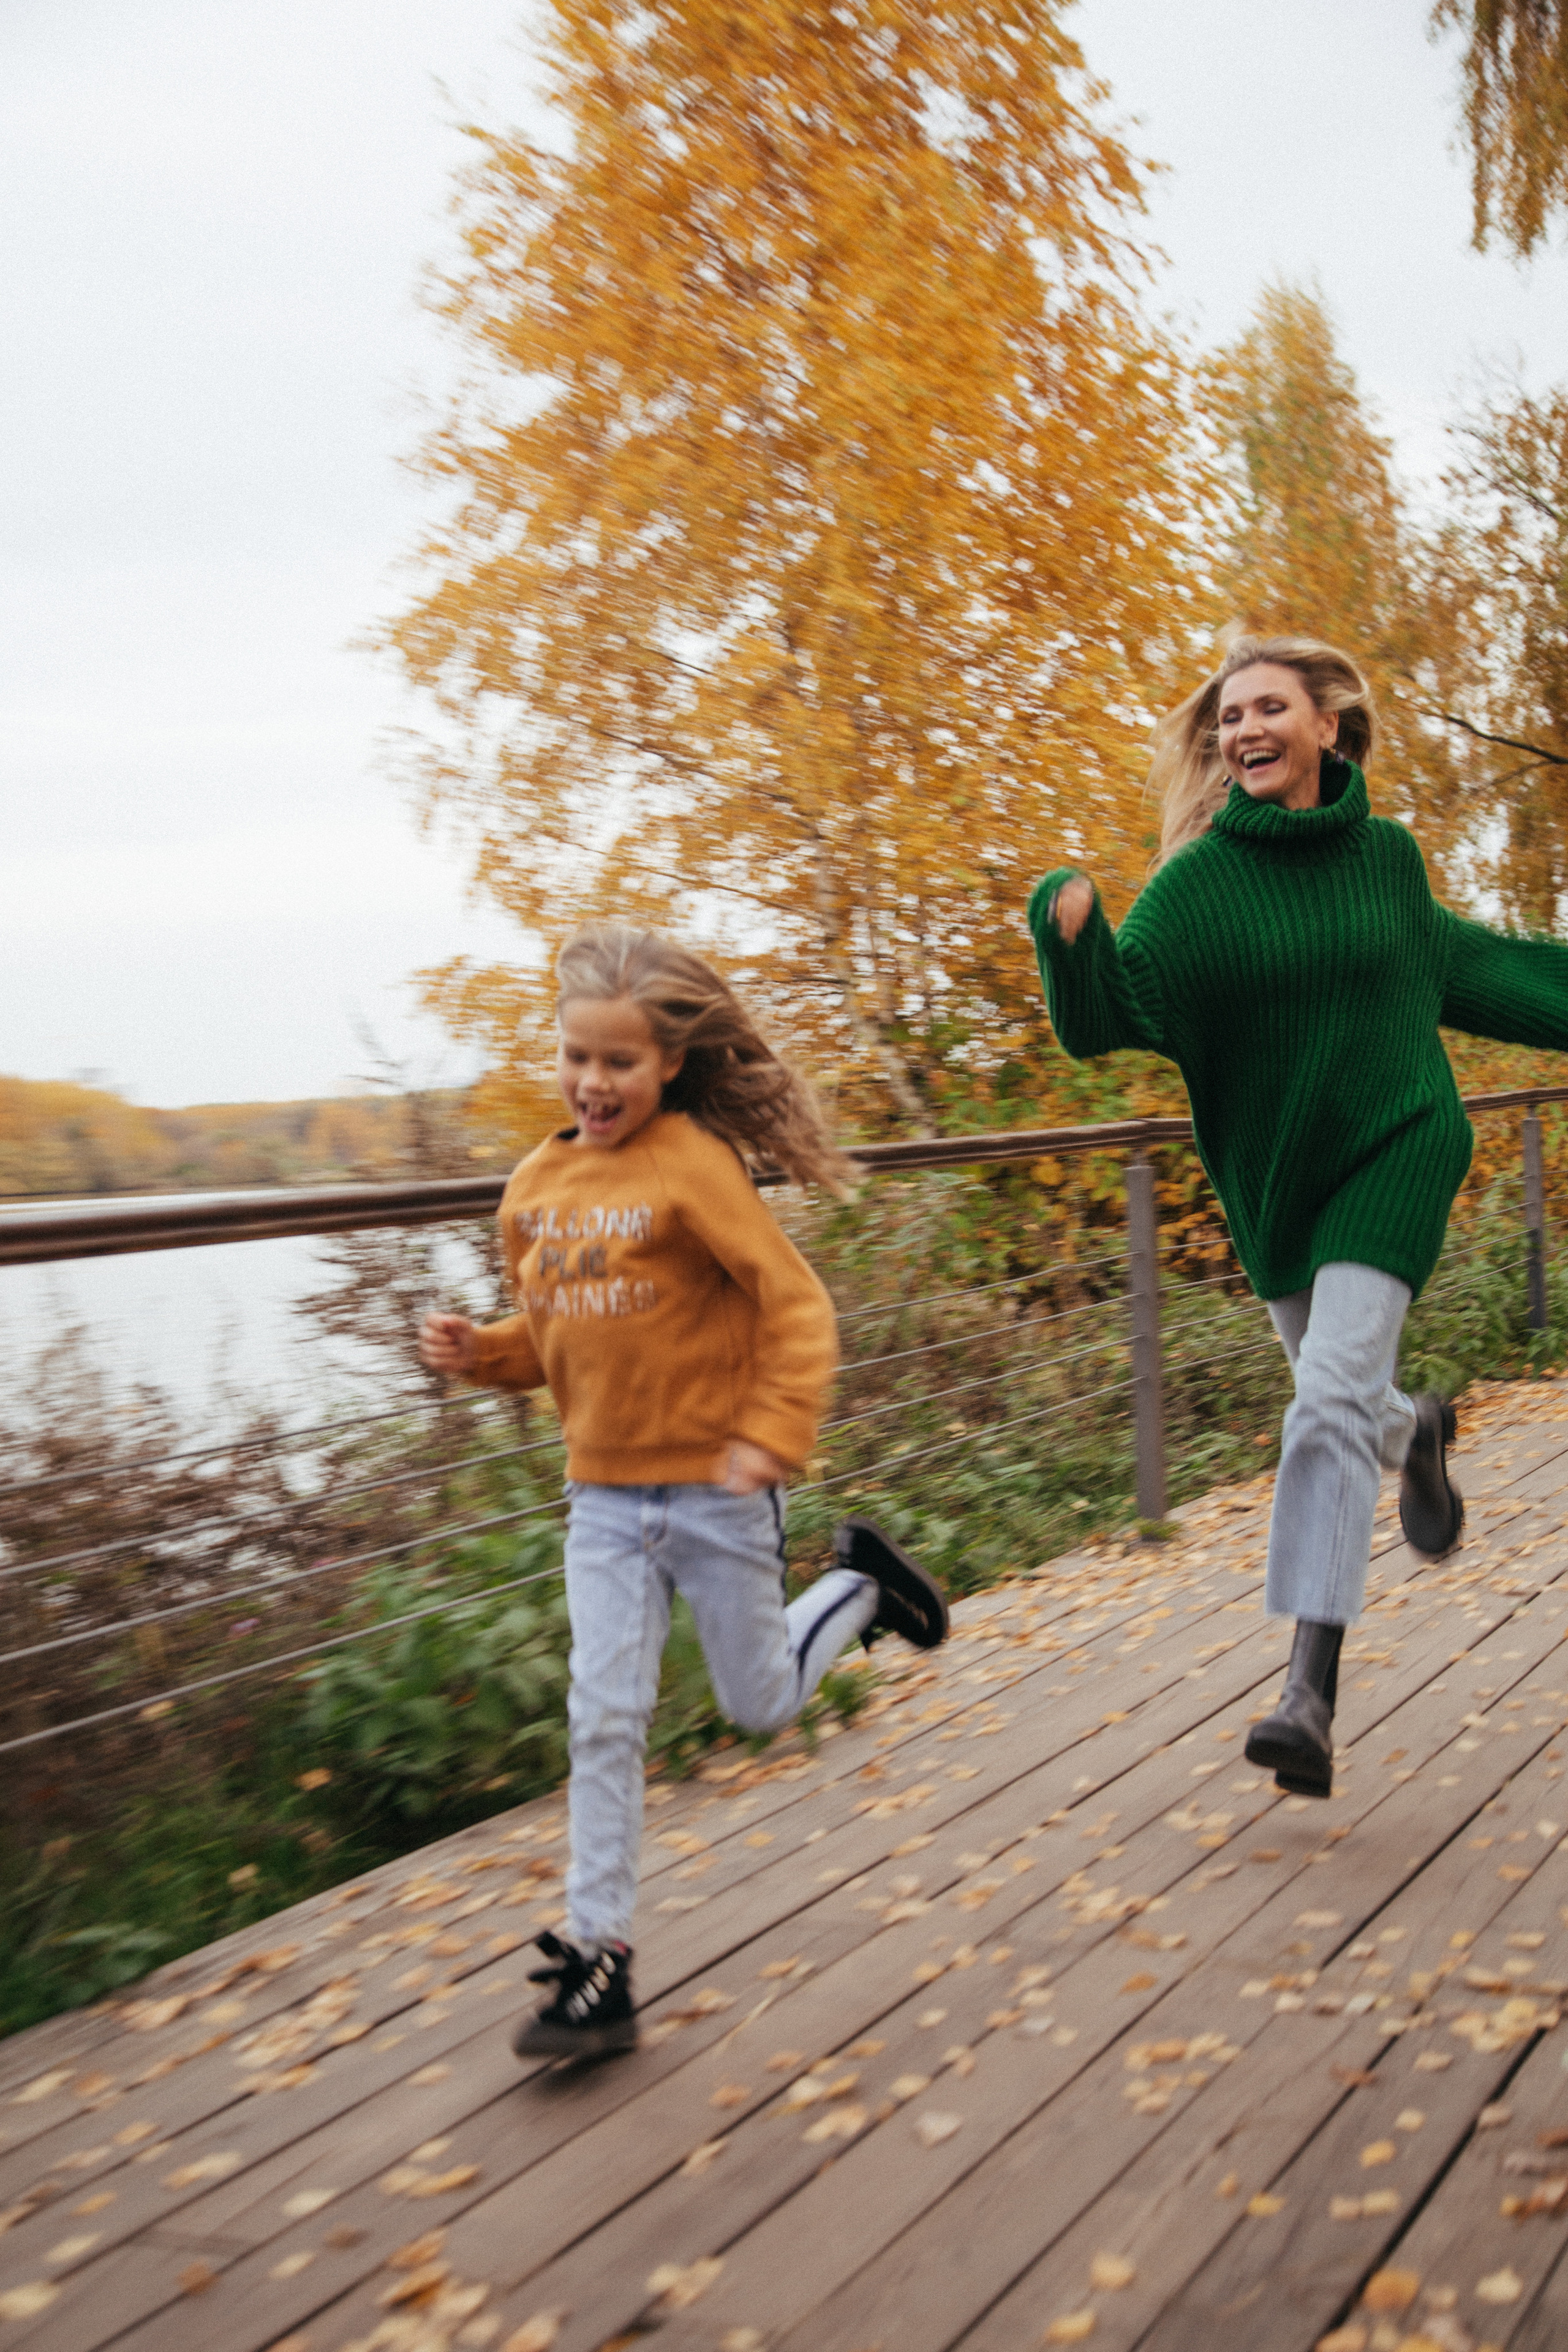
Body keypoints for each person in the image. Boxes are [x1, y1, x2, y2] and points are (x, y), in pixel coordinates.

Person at [1029, 635, 1568, 1800]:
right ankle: (1413, 1435)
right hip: (1280, 1186)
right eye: (1229, 718)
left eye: (1269, 709)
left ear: (1327, 726)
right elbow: (1108, 1016)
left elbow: (1478, 967)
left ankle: (1305, 1690)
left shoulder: (1387, 861)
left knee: (1321, 1397)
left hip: (1400, 1148)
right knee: (1344, 1399)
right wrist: (1067, 935)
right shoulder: (1195, 886)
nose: (1243, 732)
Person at [420, 923, 948, 2059]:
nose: (594, 1082)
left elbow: (796, 1304)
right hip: (603, 1504)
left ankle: (858, 1585)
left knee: (760, 1704)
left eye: (618, 1063)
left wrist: (771, 1434)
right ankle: (598, 1957)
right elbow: (563, 1337)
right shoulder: (535, 1186)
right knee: (603, 1716)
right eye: (577, 1058)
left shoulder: (694, 1164)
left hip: (717, 1490)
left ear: (667, 1066)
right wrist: (486, 1355)